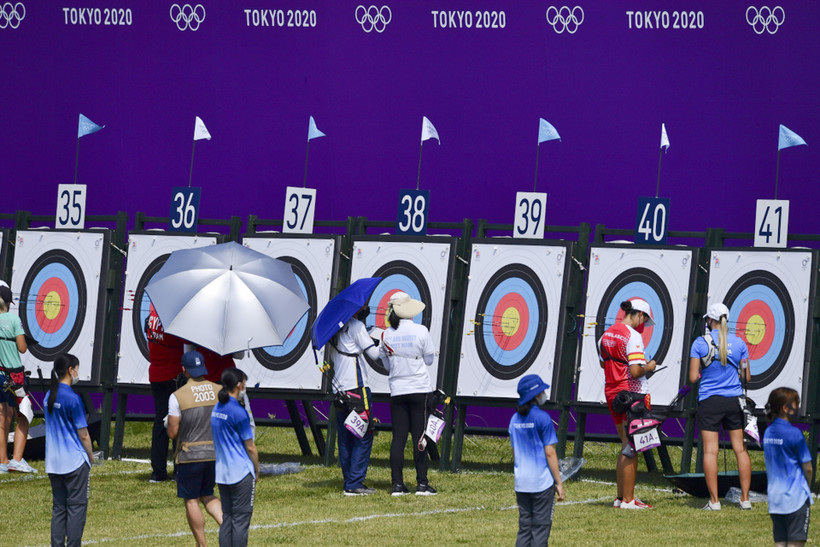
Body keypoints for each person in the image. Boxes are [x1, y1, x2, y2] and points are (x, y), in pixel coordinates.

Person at [689, 302, 752, 510]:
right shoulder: (739, 343)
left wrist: (703, 373)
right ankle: (745, 499)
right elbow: (747, 377)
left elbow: (692, 378)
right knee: (740, 450)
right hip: (734, 402)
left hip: (710, 402)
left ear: (710, 321)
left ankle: (715, 501)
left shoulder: (700, 343)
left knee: (710, 451)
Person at [598, 298, 657, 509]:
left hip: (612, 392)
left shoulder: (606, 334)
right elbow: (635, 371)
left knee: (625, 443)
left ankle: (620, 497)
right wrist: (649, 366)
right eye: (645, 320)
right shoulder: (633, 336)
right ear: (639, 315)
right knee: (632, 446)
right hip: (633, 394)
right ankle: (629, 500)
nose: (644, 325)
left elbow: (602, 361)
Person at [379, 292, 437, 496]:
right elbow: (429, 360)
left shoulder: (385, 334)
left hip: (397, 391)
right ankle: (422, 484)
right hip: (419, 390)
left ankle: (397, 485)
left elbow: (386, 365)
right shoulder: (421, 331)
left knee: (399, 438)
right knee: (420, 437)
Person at [167, 350, 223, 546]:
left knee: (191, 500)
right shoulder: (218, 390)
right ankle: (228, 528)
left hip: (189, 455)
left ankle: (202, 544)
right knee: (208, 494)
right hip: (213, 454)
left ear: (184, 370)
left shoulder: (177, 396)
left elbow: (173, 432)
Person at [509, 374, 565, 547]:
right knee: (540, 528)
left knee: (525, 527)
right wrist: (559, 482)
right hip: (541, 484)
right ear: (535, 395)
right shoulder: (543, 418)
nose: (544, 394)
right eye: (542, 391)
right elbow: (550, 453)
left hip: (521, 483)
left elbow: (514, 451)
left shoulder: (514, 419)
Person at [44, 353, 94, 546]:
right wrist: (90, 457)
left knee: (59, 508)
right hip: (74, 463)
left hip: (54, 463)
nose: (78, 373)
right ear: (70, 370)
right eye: (77, 369)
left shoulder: (50, 394)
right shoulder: (73, 398)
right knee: (76, 508)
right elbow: (84, 435)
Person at [330, 305, 380, 496]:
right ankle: (354, 482)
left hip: (339, 389)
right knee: (364, 433)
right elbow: (374, 354)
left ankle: (349, 480)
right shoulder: (356, 325)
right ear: (357, 309)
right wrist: (382, 343)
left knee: (345, 436)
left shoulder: (334, 328)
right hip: (357, 388)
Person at [211, 368, 259, 547]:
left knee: (228, 518)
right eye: (244, 384)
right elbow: (251, 447)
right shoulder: (239, 412)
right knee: (240, 521)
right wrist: (257, 469)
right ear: (239, 385)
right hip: (240, 473)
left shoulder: (217, 408)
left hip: (223, 473)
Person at [763, 387, 812, 546]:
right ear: (785, 408)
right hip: (796, 499)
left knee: (780, 543)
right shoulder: (795, 434)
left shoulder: (768, 432)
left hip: (775, 499)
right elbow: (808, 469)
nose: (798, 407)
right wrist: (807, 487)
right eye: (796, 403)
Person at [146, 303, 185, 482]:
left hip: (156, 373)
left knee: (160, 421)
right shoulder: (173, 311)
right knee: (177, 421)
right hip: (173, 375)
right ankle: (179, 470)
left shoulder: (153, 309)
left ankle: (158, 472)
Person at [0, 283, 35, 473]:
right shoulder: (13, 320)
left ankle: (2, 462)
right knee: (24, 414)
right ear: (6, 302)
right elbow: (22, 348)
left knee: (2, 417)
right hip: (14, 376)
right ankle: (17, 459)